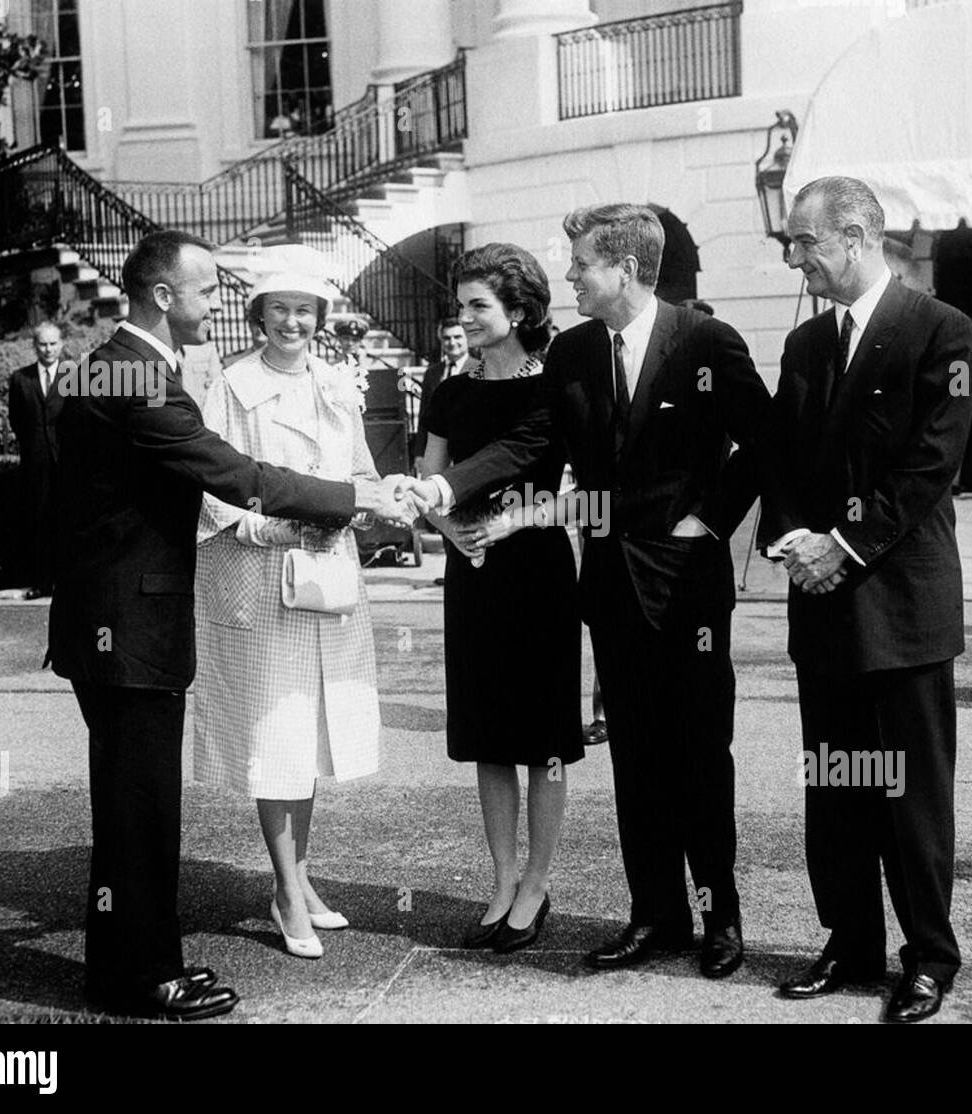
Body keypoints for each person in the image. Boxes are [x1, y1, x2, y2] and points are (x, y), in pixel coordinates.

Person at [48, 230, 411, 1021]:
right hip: (126, 627)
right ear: (163, 296)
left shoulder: (125, 365)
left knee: (130, 808)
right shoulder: (138, 373)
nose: (217, 304)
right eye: (208, 291)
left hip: (113, 620)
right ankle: (145, 978)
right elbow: (233, 475)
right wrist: (355, 500)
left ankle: (132, 966)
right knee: (138, 810)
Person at [403, 204, 773, 980]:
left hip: (687, 590)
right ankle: (655, 916)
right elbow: (530, 441)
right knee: (636, 757)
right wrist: (448, 487)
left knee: (700, 755)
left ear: (626, 270)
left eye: (579, 265)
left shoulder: (706, 341)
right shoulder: (573, 351)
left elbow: (766, 445)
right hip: (606, 586)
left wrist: (710, 521)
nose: (567, 276)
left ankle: (719, 917)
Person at [761, 176, 972, 1023]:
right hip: (822, 603)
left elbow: (931, 466)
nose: (795, 257)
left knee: (911, 794)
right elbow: (780, 456)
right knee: (836, 783)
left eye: (804, 243)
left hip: (902, 605)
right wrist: (789, 539)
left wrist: (840, 547)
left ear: (855, 236)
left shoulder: (940, 331)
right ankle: (850, 942)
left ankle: (928, 955)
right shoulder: (808, 343)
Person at [192, 272, 381, 960]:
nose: (293, 322)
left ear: (320, 316)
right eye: (280, 310)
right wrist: (281, 531)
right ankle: (287, 890)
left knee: (310, 728)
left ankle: (295, 878)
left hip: (327, 576)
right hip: (261, 576)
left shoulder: (336, 382)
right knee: (276, 734)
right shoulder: (232, 387)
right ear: (258, 316)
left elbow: (360, 470)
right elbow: (214, 494)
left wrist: (365, 507)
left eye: (305, 310)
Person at [418, 243, 582, 953]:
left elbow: (570, 484)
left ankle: (538, 885)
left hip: (538, 569)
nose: (467, 319)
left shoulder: (555, 387)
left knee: (543, 738)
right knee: (489, 734)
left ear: (519, 310)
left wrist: (514, 520)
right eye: (461, 307)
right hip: (475, 570)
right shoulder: (450, 391)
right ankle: (502, 880)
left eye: (480, 305)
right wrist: (455, 533)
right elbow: (430, 475)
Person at [8, 322, 66, 599]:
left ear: (61, 344)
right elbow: (17, 420)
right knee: (39, 522)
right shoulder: (21, 379)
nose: (48, 349)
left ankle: (67, 583)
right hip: (36, 462)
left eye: (53, 343)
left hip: (67, 462)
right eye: (43, 344)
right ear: (35, 346)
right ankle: (42, 582)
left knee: (67, 521)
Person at [413, 318, 469, 475]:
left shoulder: (480, 369)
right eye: (447, 338)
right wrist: (419, 453)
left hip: (467, 453)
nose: (452, 342)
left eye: (457, 337)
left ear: (467, 339)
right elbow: (425, 416)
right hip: (435, 452)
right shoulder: (432, 373)